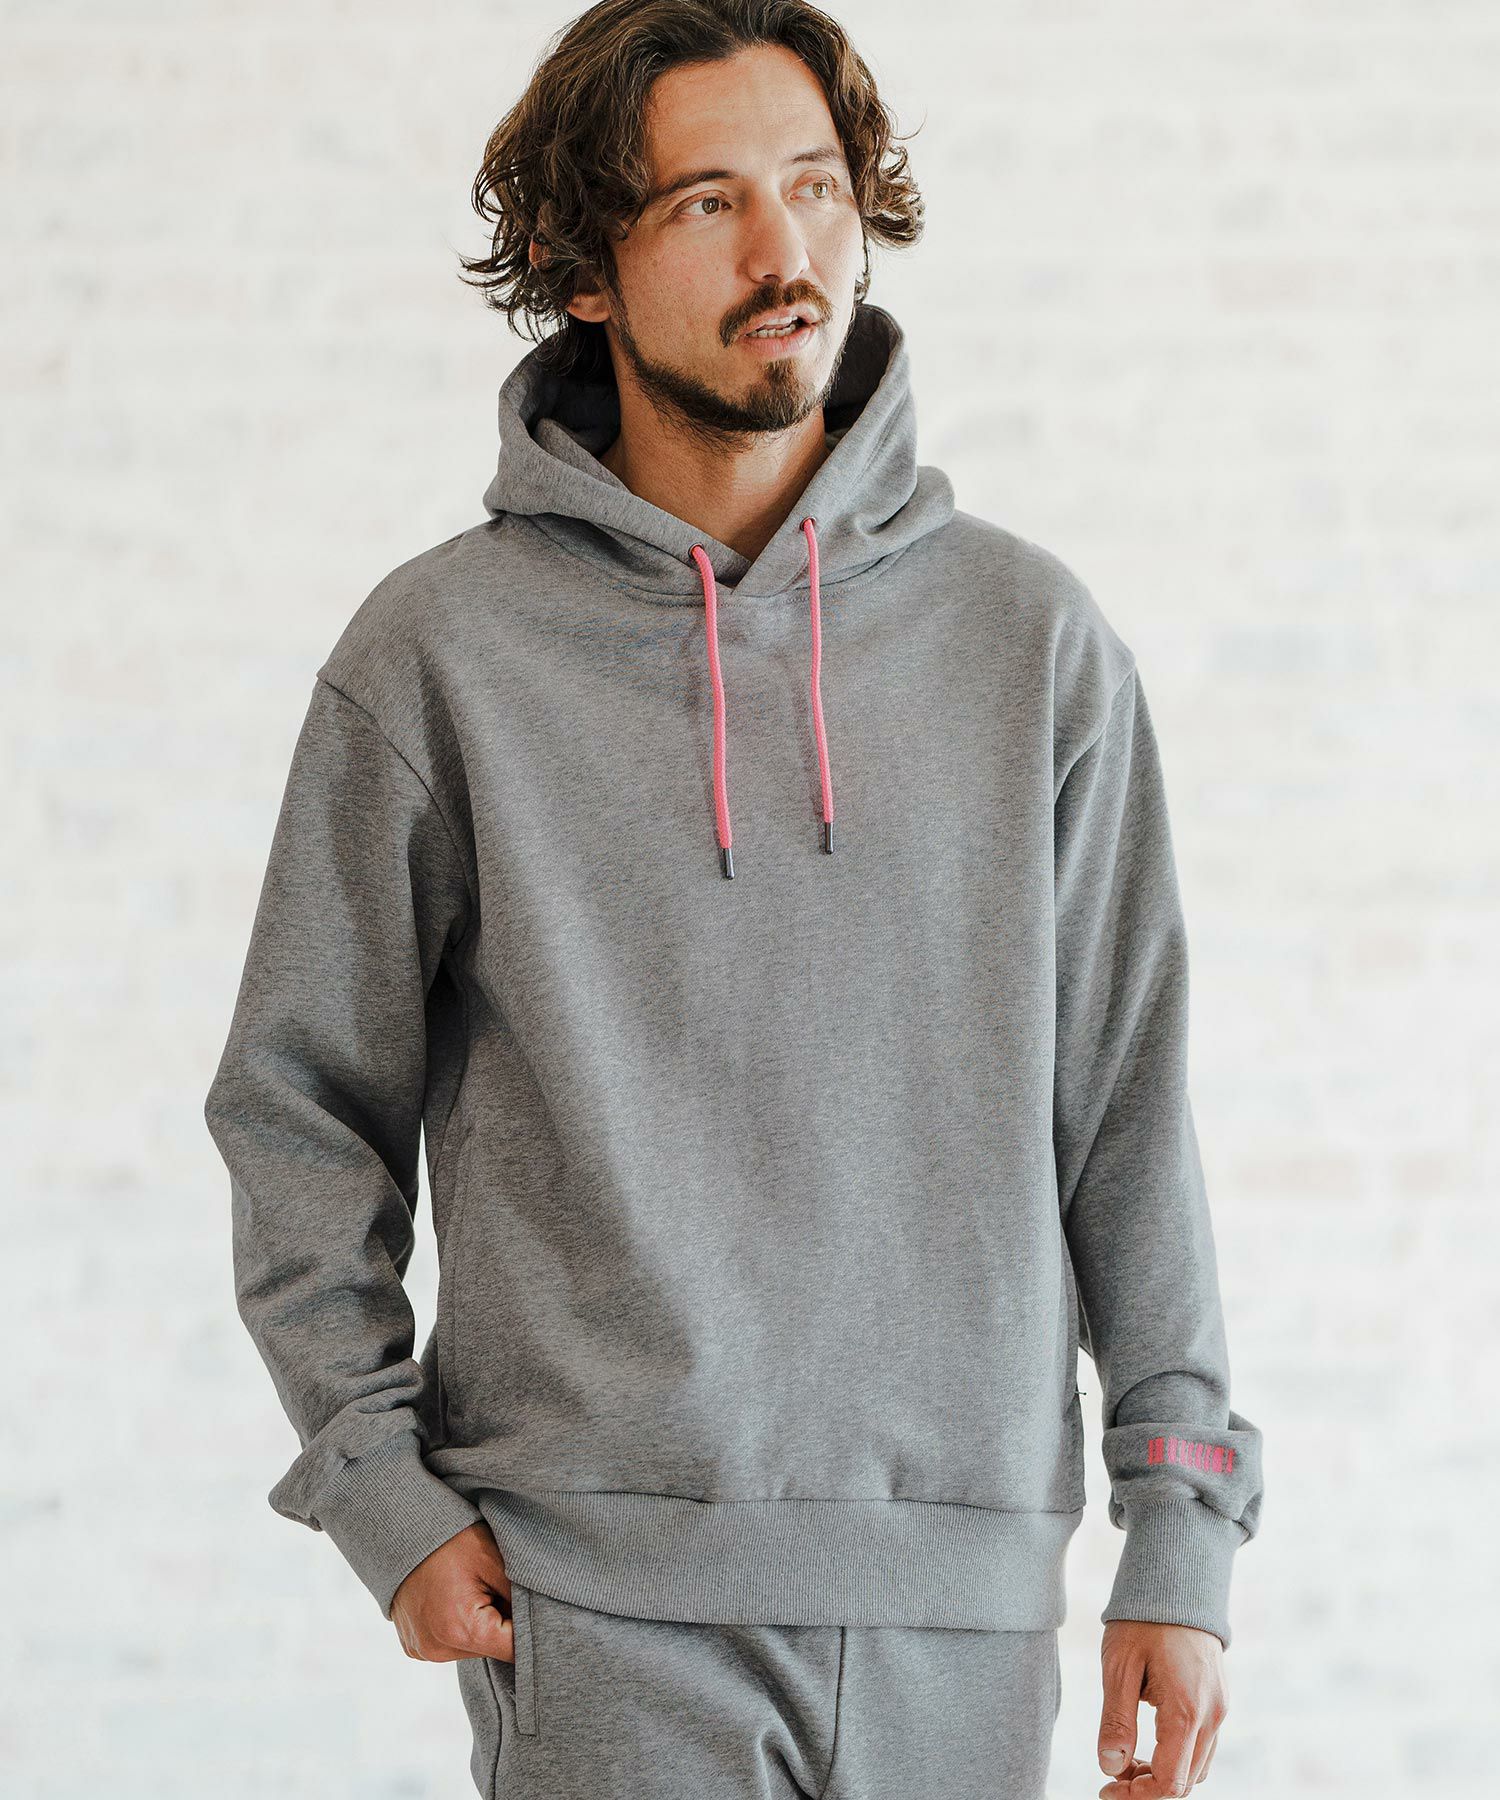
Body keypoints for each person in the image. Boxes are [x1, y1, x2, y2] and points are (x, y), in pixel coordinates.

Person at [202, 2, 1265, 1795]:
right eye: (708, 203)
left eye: (816, 188)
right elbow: (297, 1108)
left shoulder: (1032, 645)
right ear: (583, 272)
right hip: (594, 1607)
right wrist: (377, 1487)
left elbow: (1128, 1116)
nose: (787, 254)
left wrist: (1185, 1523)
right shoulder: (441, 657)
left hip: (965, 1608)